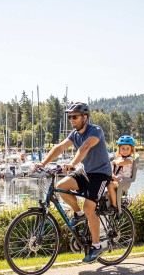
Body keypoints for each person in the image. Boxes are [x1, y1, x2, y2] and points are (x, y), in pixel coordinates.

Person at [34, 102, 113, 263]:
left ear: (85, 117)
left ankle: (97, 246)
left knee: (90, 208)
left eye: (75, 116)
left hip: (100, 174)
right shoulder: (74, 134)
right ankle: (78, 214)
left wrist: (72, 163)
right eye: (70, 117)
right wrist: (43, 163)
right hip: (85, 172)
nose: (72, 120)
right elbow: (59, 147)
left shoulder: (95, 130)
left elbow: (84, 148)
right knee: (61, 187)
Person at [106, 135, 136, 215]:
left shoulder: (130, 159)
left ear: (131, 150)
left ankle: (114, 206)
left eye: (127, 148)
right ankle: (110, 203)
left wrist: (115, 161)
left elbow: (121, 163)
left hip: (123, 182)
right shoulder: (118, 158)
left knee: (110, 186)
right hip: (117, 180)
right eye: (123, 148)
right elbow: (113, 169)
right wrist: (112, 175)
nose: (125, 150)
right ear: (119, 149)